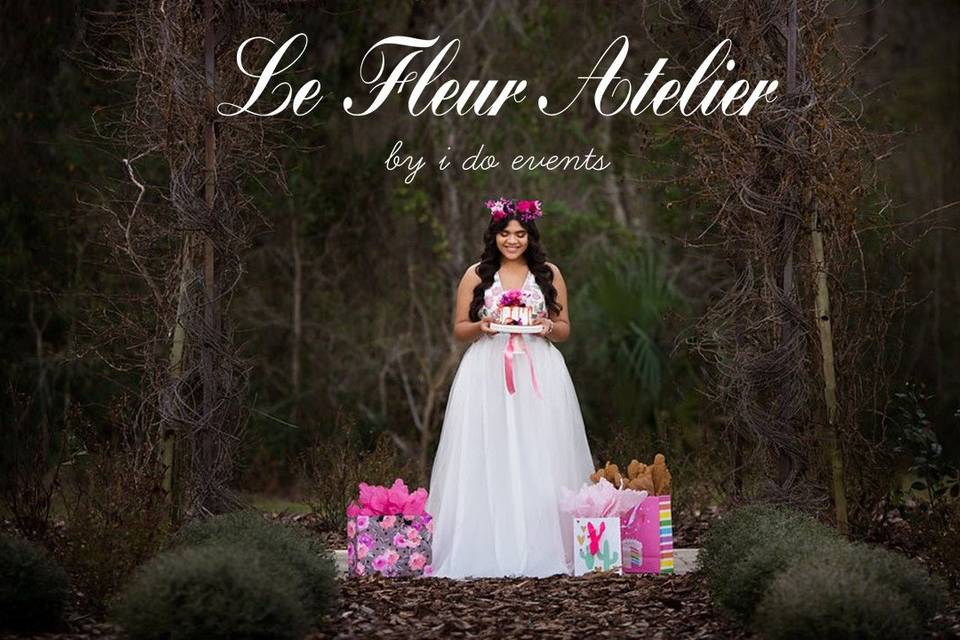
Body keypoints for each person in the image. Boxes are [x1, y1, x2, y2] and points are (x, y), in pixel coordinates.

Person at [425, 197, 595, 579]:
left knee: (540, 449)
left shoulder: (548, 274)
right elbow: (458, 328)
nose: (512, 241)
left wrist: (548, 327)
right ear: (494, 235)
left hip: (538, 369)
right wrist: (482, 326)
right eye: (505, 233)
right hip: (487, 369)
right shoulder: (476, 274)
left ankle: (542, 542)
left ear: (530, 236)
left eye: (520, 234)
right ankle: (486, 541)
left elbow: (564, 328)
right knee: (490, 449)